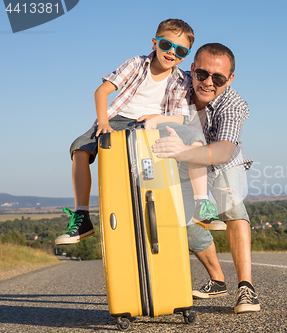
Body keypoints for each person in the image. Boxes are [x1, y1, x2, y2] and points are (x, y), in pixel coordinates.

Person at [55, 19, 223, 246]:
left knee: (194, 138)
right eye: (166, 45)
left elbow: (180, 117)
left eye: (180, 50)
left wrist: (158, 119)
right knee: (79, 148)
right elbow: (102, 91)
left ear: (186, 55)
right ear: (155, 43)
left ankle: (202, 203)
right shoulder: (136, 64)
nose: (172, 53)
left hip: (156, 123)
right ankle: (82, 216)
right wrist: (103, 122)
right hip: (118, 119)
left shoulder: (182, 79)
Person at [152, 43, 260, 314]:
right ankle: (217, 279)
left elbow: (223, 151)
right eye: (202, 74)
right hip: (183, 162)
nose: (209, 82)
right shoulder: (175, 86)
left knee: (231, 205)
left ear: (230, 79)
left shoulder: (233, 105)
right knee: (182, 218)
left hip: (222, 162)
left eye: (219, 78)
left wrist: (185, 150)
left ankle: (246, 289)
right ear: (192, 69)